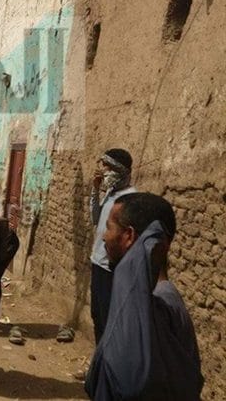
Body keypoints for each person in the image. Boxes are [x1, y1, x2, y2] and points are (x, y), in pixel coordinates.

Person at [85, 192, 203, 400]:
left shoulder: (156, 306)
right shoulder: (151, 301)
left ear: (129, 236)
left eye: (109, 228)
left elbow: (131, 383)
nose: (104, 237)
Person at [89, 148, 136, 344]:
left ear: (119, 171)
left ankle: (108, 359)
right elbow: (95, 218)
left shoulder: (130, 198)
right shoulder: (110, 193)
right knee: (97, 315)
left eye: (107, 167)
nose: (104, 171)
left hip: (111, 267)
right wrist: (95, 190)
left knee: (109, 318)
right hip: (97, 262)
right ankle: (99, 357)